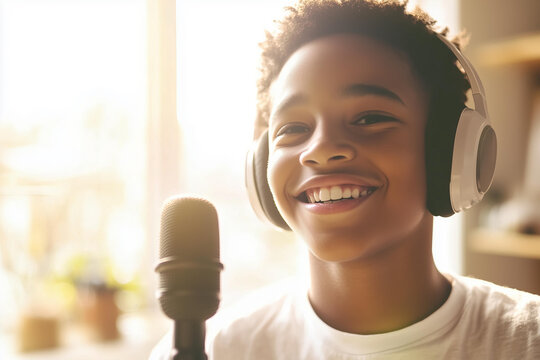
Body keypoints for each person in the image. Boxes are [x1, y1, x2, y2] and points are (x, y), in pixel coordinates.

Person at [151, 0, 540, 358]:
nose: (319, 149)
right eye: (294, 128)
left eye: (370, 119)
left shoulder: (526, 340)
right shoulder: (217, 348)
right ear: (262, 165)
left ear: (450, 149)